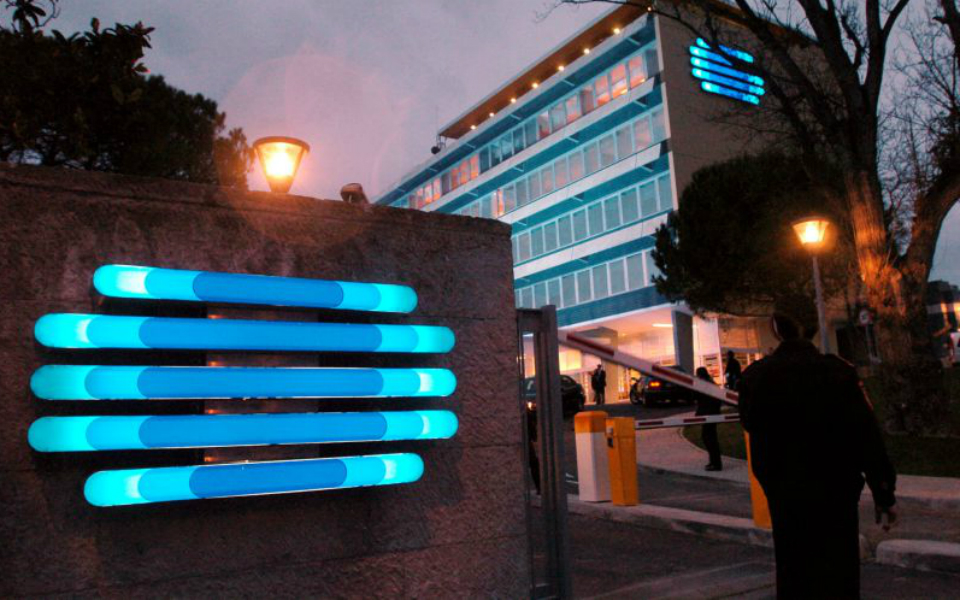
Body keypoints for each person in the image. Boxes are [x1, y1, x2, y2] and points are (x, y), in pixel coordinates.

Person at [738, 302, 897, 599]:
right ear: (814, 328)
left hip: (786, 495)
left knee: (794, 571)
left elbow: (751, 426)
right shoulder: (839, 373)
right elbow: (867, 436)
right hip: (836, 493)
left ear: (775, 328)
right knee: (839, 572)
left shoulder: (756, 377)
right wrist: (883, 492)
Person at [694, 367, 723, 471]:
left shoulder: (702, 384)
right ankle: (714, 462)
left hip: (708, 414)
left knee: (709, 438)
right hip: (713, 413)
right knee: (710, 438)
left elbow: (696, 396)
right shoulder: (711, 383)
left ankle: (715, 463)